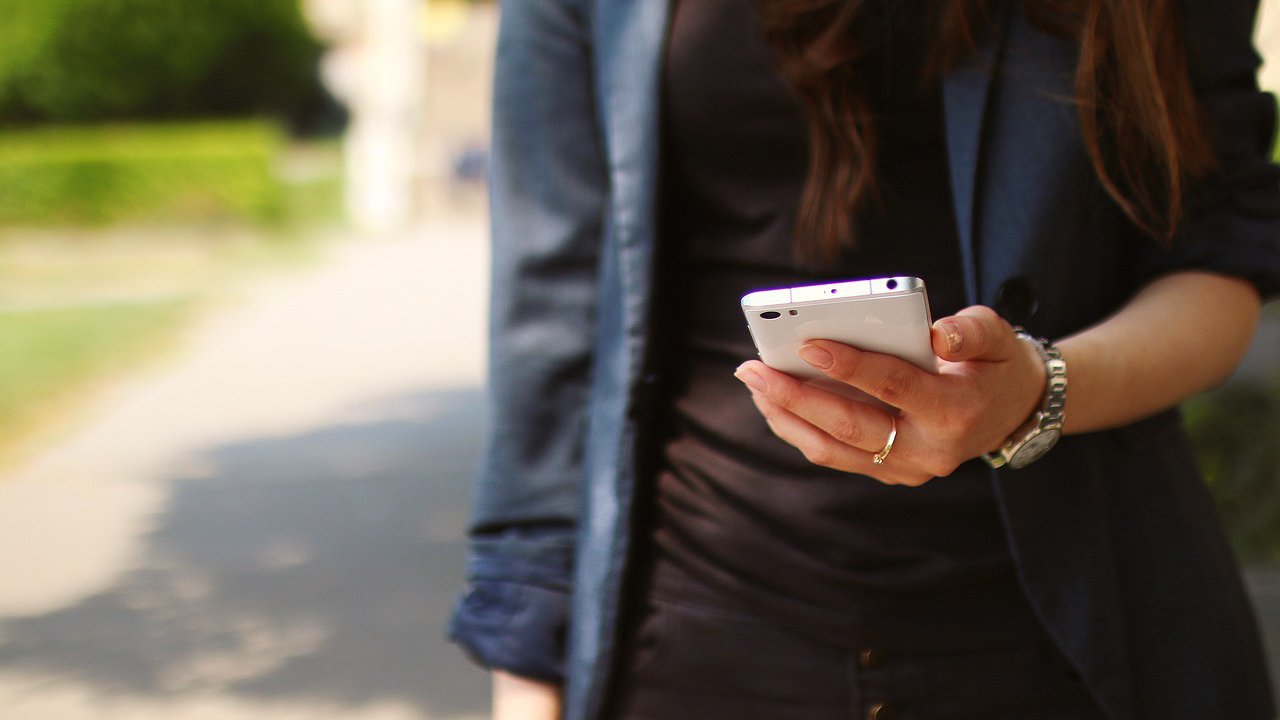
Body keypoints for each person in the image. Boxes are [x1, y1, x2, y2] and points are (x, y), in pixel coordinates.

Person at [450, 0, 1280, 718]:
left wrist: (1037, 391)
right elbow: (552, 316)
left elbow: (1219, 254)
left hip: (1080, 637)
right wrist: (528, 673)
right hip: (692, 636)